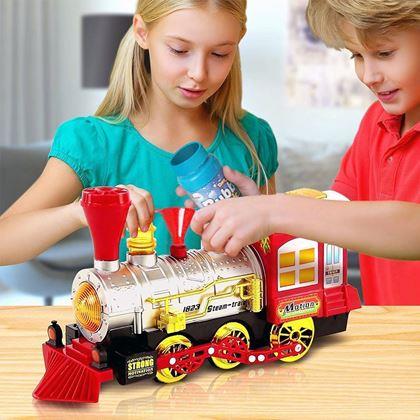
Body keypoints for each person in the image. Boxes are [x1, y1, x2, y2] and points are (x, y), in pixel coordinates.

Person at [0, 0, 278, 265]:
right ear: (142, 32)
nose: (199, 73)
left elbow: (275, 259)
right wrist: (87, 210)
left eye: (220, 54)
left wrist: (264, 220)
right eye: (179, 50)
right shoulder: (93, 143)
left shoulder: (252, 138)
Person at [188, 0, 420, 305]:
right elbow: (338, 211)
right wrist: (255, 210)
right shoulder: (376, 121)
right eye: (357, 56)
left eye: (385, 53)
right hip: (388, 330)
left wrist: (274, 211)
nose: (368, 76)